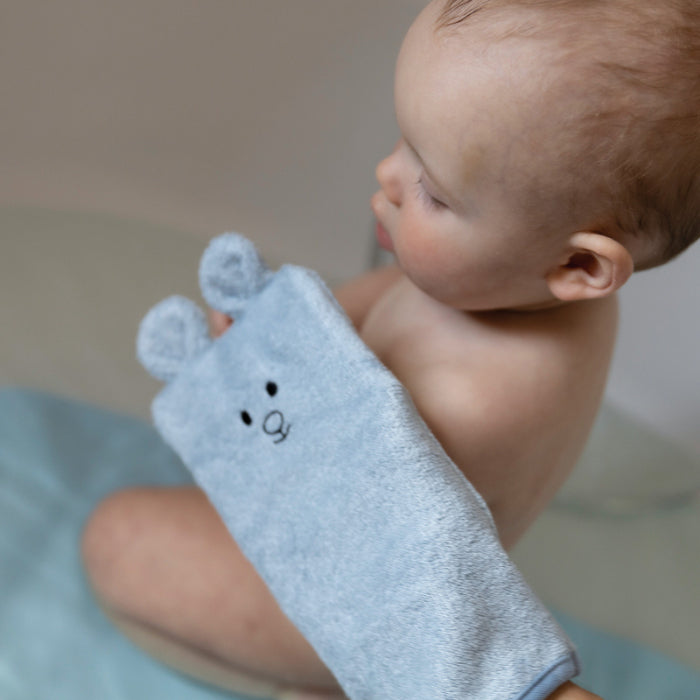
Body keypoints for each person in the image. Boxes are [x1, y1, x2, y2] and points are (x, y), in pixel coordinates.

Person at [80, 0, 700, 698]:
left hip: (357, 607)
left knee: (114, 539)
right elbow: (369, 311)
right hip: (339, 528)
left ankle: (337, 683)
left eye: (433, 191)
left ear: (580, 266)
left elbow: (331, 491)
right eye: (405, 142)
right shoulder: (513, 282)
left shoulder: (475, 397)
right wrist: (272, 337)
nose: (387, 174)